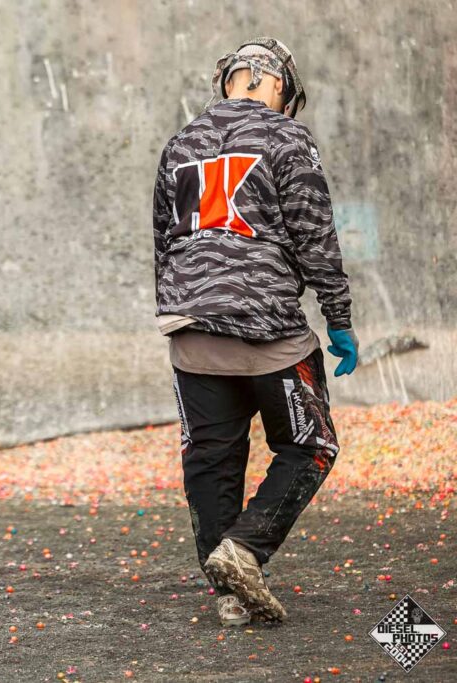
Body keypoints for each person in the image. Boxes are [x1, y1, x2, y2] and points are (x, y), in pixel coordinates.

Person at [152, 38, 360, 626]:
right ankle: (243, 552)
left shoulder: (179, 144)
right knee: (311, 445)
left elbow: (163, 242)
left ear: (228, 81)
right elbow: (315, 236)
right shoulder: (288, 137)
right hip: (269, 330)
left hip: (192, 334)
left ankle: (228, 591)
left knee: (211, 460)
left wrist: (181, 309)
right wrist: (339, 318)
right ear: (277, 85)